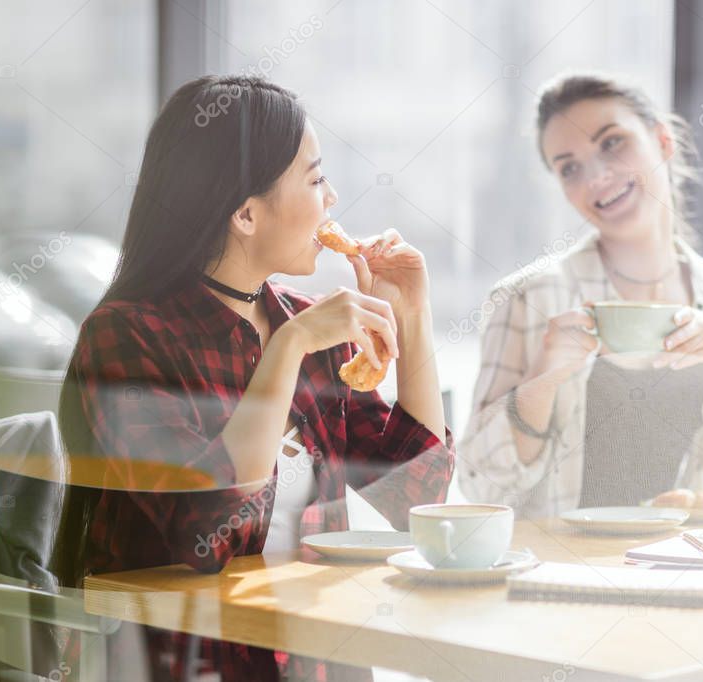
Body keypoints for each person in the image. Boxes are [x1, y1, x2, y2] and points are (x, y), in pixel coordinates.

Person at [60, 75, 453, 681]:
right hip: (186, 663)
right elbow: (206, 529)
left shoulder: (305, 322)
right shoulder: (123, 339)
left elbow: (415, 498)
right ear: (245, 212)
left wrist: (414, 314)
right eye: (316, 179)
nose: (333, 198)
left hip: (317, 658)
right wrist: (288, 349)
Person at [458, 73, 703, 517]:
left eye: (612, 143)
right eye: (569, 168)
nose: (597, 176)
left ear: (663, 141)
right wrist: (543, 379)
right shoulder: (528, 298)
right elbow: (482, 489)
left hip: (687, 570)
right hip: (559, 577)